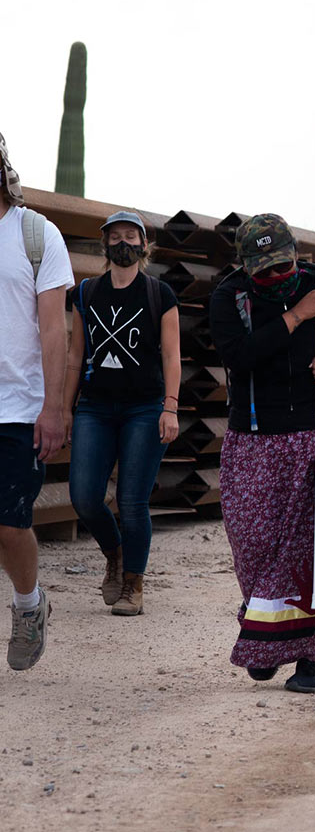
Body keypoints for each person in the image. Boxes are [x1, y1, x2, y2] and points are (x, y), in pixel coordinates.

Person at [209, 214, 315, 693]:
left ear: (296, 256)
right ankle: (267, 638)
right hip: (252, 439)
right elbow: (239, 356)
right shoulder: (228, 297)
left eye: (283, 268)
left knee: (305, 550)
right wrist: (298, 313)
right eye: (264, 272)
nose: (276, 279)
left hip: (307, 433)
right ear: (244, 267)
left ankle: (307, 659)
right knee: (253, 547)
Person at [66, 211, 181, 616]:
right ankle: (114, 553)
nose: (122, 243)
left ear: (143, 245)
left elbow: (171, 355)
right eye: (114, 237)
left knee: (132, 500)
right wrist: (65, 409)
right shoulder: (85, 293)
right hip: (94, 407)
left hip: (145, 407)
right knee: (83, 496)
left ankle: (133, 583)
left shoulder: (159, 294)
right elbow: (76, 354)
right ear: (105, 246)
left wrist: (170, 407)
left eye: (130, 236)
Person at [1, 134, 71, 671]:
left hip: (17, 407)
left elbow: (53, 329)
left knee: (8, 523)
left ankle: (29, 604)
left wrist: (54, 407)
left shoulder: (34, 234)